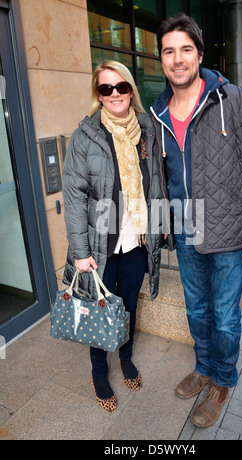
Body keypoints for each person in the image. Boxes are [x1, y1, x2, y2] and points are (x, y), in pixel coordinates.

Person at [151, 14, 242, 428]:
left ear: (200, 54)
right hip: (186, 230)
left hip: (229, 232)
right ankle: (204, 367)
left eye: (185, 49)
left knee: (225, 316)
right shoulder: (156, 113)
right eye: (169, 51)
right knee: (197, 311)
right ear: (161, 59)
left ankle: (223, 381)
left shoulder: (236, 101)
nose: (178, 59)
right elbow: (160, 174)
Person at [62, 60, 163, 412]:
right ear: (98, 95)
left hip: (136, 241)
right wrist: (80, 251)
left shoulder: (146, 130)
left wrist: (160, 232)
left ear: (131, 89)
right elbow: (73, 197)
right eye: (106, 88)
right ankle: (99, 371)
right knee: (97, 310)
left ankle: (127, 356)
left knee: (130, 305)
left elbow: (156, 185)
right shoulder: (85, 136)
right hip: (99, 247)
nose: (115, 94)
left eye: (121, 86)